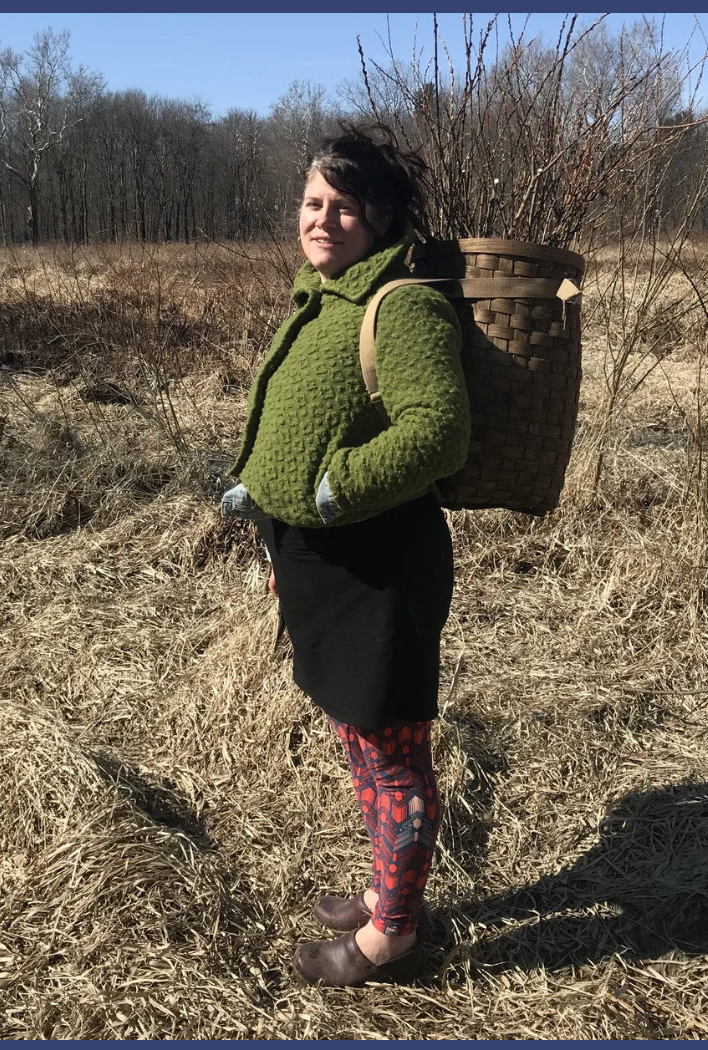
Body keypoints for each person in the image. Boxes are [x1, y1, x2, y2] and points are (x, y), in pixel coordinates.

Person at [221, 124, 471, 987]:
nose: (321, 220)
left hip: (380, 571)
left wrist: (334, 488)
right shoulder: (321, 295)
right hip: (322, 570)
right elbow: (294, 422)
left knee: (396, 757)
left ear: (382, 216)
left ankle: (392, 938)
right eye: (312, 202)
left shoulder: (402, 305)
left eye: (344, 206)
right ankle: (383, 889)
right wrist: (265, 501)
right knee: (361, 742)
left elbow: (437, 429)